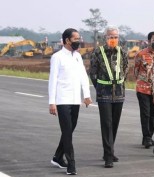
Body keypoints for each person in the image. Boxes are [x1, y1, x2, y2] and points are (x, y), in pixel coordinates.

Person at [48, 28, 92, 175]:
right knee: (67, 132)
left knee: (69, 130)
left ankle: (57, 157)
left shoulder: (78, 56)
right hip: (62, 100)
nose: (79, 41)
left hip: (75, 100)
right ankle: (71, 164)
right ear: (67, 40)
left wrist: (86, 95)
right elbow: (52, 81)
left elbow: (83, 77)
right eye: (76, 39)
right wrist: (51, 102)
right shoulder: (57, 57)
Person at [90, 26, 128, 168]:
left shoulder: (123, 52)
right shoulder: (97, 52)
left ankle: (110, 150)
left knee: (115, 123)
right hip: (104, 93)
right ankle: (108, 156)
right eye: (110, 37)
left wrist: (120, 85)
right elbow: (93, 72)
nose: (113, 39)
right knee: (106, 124)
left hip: (118, 93)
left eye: (115, 37)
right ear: (105, 38)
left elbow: (126, 69)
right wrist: (99, 88)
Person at [134, 31, 154, 148]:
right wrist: (144, 80)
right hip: (143, 89)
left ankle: (149, 135)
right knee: (145, 113)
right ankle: (146, 137)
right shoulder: (141, 54)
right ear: (149, 41)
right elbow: (136, 71)